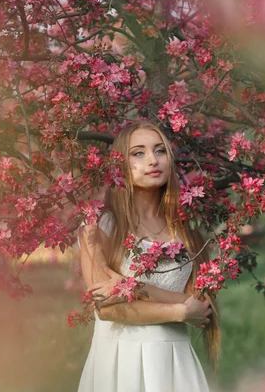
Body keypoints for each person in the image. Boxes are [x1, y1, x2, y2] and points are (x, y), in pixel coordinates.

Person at [77, 121, 220, 392]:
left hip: (173, 358)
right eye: (138, 153)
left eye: (160, 151)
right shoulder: (102, 227)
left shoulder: (185, 228)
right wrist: (179, 311)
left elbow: (201, 306)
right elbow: (106, 308)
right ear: (121, 164)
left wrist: (134, 286)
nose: (152, 161)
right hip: (120, 358)